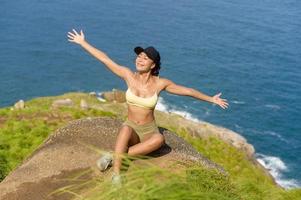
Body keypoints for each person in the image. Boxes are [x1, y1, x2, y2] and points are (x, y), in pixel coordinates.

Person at [67, 29, 229, 186]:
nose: (139, 59)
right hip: (131, 128)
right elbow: (105, 59)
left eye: (145, 58)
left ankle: (113, 155)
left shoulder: (160, 83)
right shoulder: (128, 75)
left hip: (148, 131)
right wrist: (83, 42)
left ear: (153, 65)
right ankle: (116, 175)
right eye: (138, 56)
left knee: (159, 139)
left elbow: (187, 91)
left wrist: (211, 99)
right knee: (125, 129)